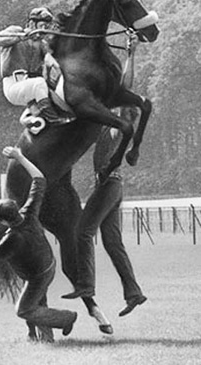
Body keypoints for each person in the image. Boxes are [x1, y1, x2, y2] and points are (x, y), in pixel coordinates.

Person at [0, 146, 77, 342]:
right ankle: (46, 338)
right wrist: (19, 157)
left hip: (37, 275)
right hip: (47, 265)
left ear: (3, 221)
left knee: (24, 309)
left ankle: (67, 318)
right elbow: (39, 179)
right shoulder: (29, 211)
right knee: (37, 302)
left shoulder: (12, 239)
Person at [62, 37, 147, 316]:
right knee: (112, 242)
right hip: (114, 186)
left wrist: (131, 56)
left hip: (109, 185)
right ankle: (134, 293)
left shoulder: (119, 125)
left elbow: (126, 88)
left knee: (82, 231)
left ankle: (86, 285)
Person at [0, 7, 69, 125]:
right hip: (13, 85)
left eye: (46, 27)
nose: (44, 30)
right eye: (42, 26)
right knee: (39, 83)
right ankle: (53, 120)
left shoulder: (41, 44)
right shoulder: (16, 30)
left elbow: (52, 61)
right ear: (31, 23)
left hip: (31, 88)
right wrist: (21, 36)